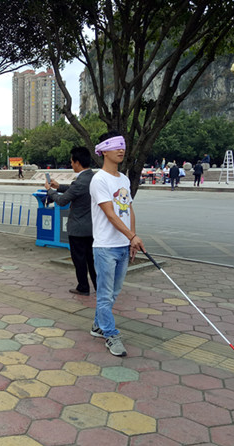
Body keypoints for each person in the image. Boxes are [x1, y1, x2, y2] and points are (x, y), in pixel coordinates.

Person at [90, 131, 146, 356]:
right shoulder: (99, 180)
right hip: (105, 247)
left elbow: (128, 210)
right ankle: (110, 334)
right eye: (115, 146)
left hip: (123, 246)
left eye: (123, 145)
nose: (121, 149)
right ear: (103, 150)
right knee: (105, 295)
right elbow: (111, 215)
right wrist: (132, 236)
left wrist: (132, 237)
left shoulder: (123, 179)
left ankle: (98, 325)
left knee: (113, 293)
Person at [45, 146, 96, 296]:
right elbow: (75, 190)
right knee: (92, 260)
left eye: (72, 162)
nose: (71, 164)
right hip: (92, 228)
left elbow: (61, 201)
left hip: (78, 229)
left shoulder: (80, 182)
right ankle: (99, 286)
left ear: (77, 162)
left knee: (79, 260)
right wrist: (59, 186)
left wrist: (50, 190)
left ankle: (83, 287)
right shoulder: (93, 178)